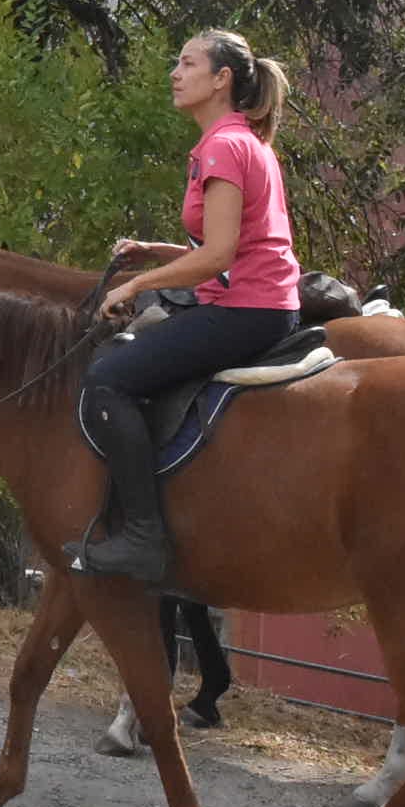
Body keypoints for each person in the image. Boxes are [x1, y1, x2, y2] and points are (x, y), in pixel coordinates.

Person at [73, 29, 303, 585]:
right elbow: (226, 250)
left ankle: (142, 538)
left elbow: (219, 257)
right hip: (259, 299)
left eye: (187, 63)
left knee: (106, 380)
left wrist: (134, 286)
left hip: (246, 308)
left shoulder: (225, 146)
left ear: (221, 79)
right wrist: (156, 252)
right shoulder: (241, 140)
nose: (174, 74)